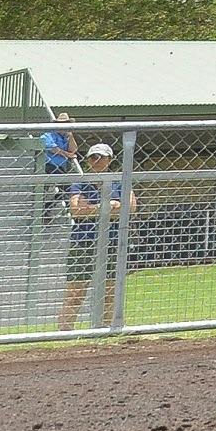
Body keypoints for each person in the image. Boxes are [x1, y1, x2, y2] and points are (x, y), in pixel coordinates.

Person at [55, 140, 123, 330]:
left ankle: (108, 329)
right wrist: (107, 207)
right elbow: (76, 210)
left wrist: (92, 208)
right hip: (83, 241)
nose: (97, 160)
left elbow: (130, 207)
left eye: (101, 157)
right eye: (93, 157)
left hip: (112, 241)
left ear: (110, 159)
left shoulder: (118, 181)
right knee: (76, 291)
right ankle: (64, 332)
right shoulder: (80, 182)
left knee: (109, 290)